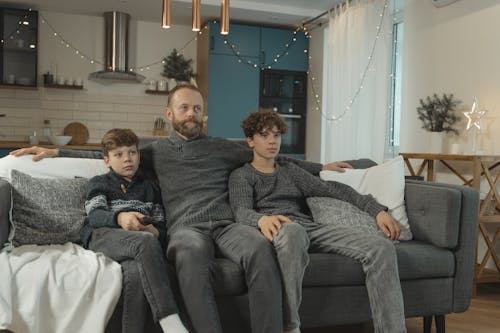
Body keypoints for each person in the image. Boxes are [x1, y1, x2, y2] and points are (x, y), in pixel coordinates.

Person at [10, 84, 352, 333]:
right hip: (186, 229)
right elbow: (107, 156)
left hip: (228, 224)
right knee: (188, 257)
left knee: (262, 251)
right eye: (185, 108)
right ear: (169, 113)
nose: (192, 114)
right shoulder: (154, 151)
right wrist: (55, 152)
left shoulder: (223, 148)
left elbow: (272, 156)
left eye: (198, 109)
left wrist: (321, 167)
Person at [228, 110, 406, 333]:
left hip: (311, 228)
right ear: (250, 141)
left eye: (276, 135)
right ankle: (289, 328)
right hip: (280, 230)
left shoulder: (290, 170)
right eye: (264, 135)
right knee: (293, 232)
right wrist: (261, 219)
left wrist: (377, 211)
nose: (272, 141)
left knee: (382, 248)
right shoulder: (242, 176)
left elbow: (333, 189)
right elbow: (240, 211)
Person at [83, 128, 188, 333]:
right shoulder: (99, 183)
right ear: (107, 161)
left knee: (136, 273)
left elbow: (160, 226)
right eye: (119, 155)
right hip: (104, 235)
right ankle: (171, 321)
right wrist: (121, 217)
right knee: (144, 242)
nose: (127, 159)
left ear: (139, 155)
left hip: (136, 243)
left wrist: (154, 231)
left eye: (132, 152)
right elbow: (95, 217)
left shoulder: (149, 187)